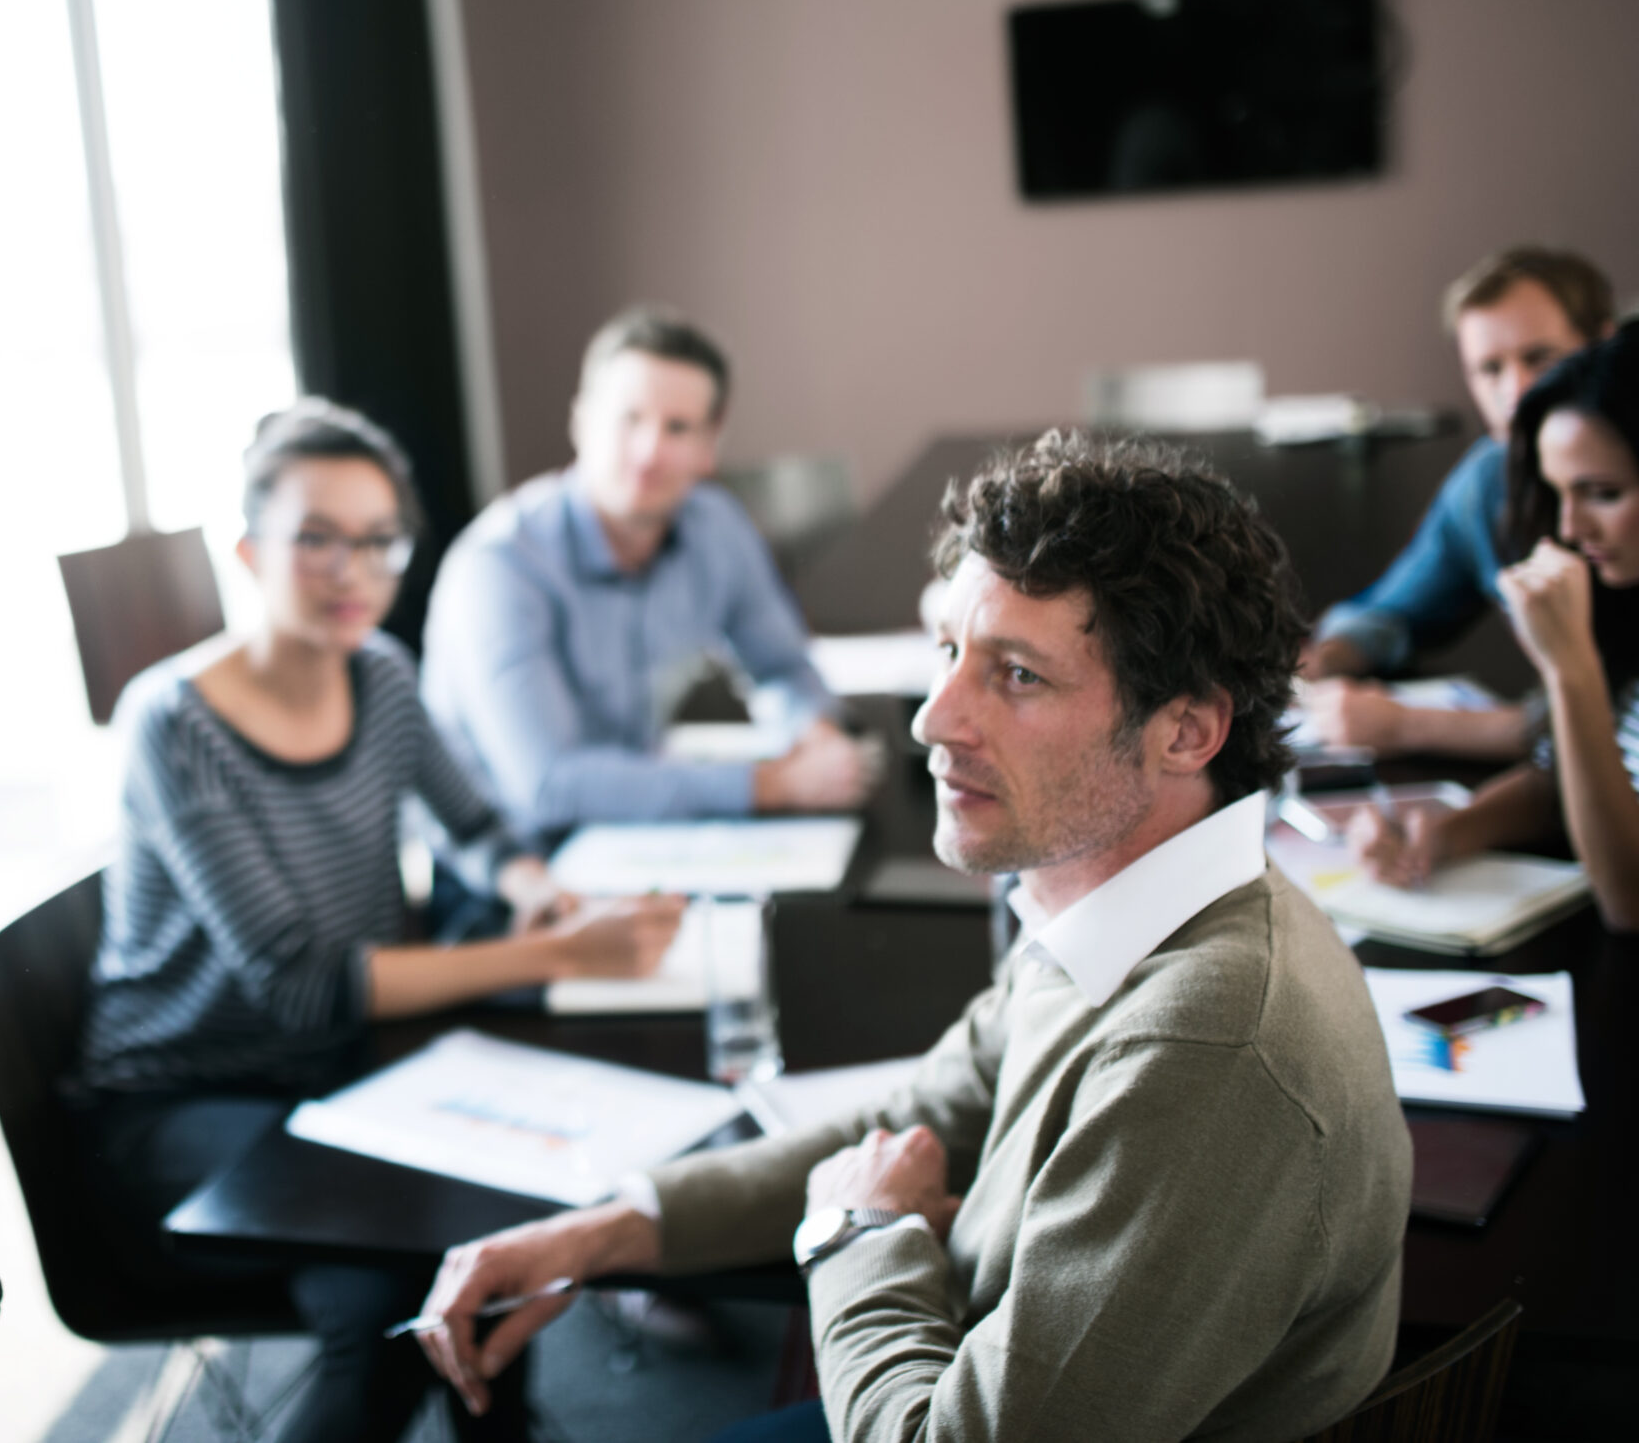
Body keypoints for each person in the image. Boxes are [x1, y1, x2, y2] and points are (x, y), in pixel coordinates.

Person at [412, 434, 1411, 1443]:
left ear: (1186, 731)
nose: (932, 719)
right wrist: (614, 1226)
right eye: (948, 654)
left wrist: (862, 1231)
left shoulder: (1206, 1051)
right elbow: (928, 1107)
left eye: (1016, 675)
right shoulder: (1119, 901)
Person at [78, 399, 686, 1443]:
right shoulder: (173, 720)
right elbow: (300, 979)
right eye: (314, 537)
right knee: (380, 1307)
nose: (348, 569)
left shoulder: (384, 677)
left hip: (342, 1070)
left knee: (490, 1221)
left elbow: (481, 826)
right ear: (247, 550)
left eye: (376, 540)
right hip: (181, 1097)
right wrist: (555, 950)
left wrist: (538, 885)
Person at [421, 309, 881, 852]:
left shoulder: (716, 527)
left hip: (639, 835)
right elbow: (549, 787)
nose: (648, 451)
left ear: (709, 447)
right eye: (629, 418)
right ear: (582, 421)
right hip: (515, 867)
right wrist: (772, 784)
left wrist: (814, 734)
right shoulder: (500, 566)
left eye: (678, 428)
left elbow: (780, 667)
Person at [1351, 322, 1639, 930]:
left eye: (1603, 493)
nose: (1572, 528)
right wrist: (1445, 832)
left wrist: (1571, 668)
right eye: (1560, 493)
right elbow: (1567, 781)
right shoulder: (1623, 596)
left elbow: (1630, 900)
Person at [1301, 246, 1614, 759]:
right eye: (1490, 369)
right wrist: (1325, 660)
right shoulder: (1490, 478)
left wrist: (1406, 725)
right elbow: (1393, 612)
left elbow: (1620, 720)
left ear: (1604, 346)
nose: (1515, 391)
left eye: (1539, 358)